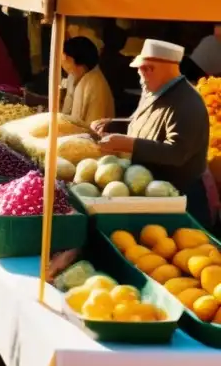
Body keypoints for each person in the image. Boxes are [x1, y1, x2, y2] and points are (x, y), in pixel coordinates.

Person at [95, 39, 214, 228]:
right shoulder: (152, 91)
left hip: (180, 200)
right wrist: (112, 125)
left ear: (154, 69)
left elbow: (177, 152)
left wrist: (128, 144)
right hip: (153, 193)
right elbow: (141, 123)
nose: (140, 75)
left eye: (144, 69)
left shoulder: (187, 102)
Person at [61, 36, 115, 125]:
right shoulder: (74, 77)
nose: (61, 61)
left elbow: (93, 127)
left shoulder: (94, 85)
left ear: (71, 59)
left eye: (63, 56)